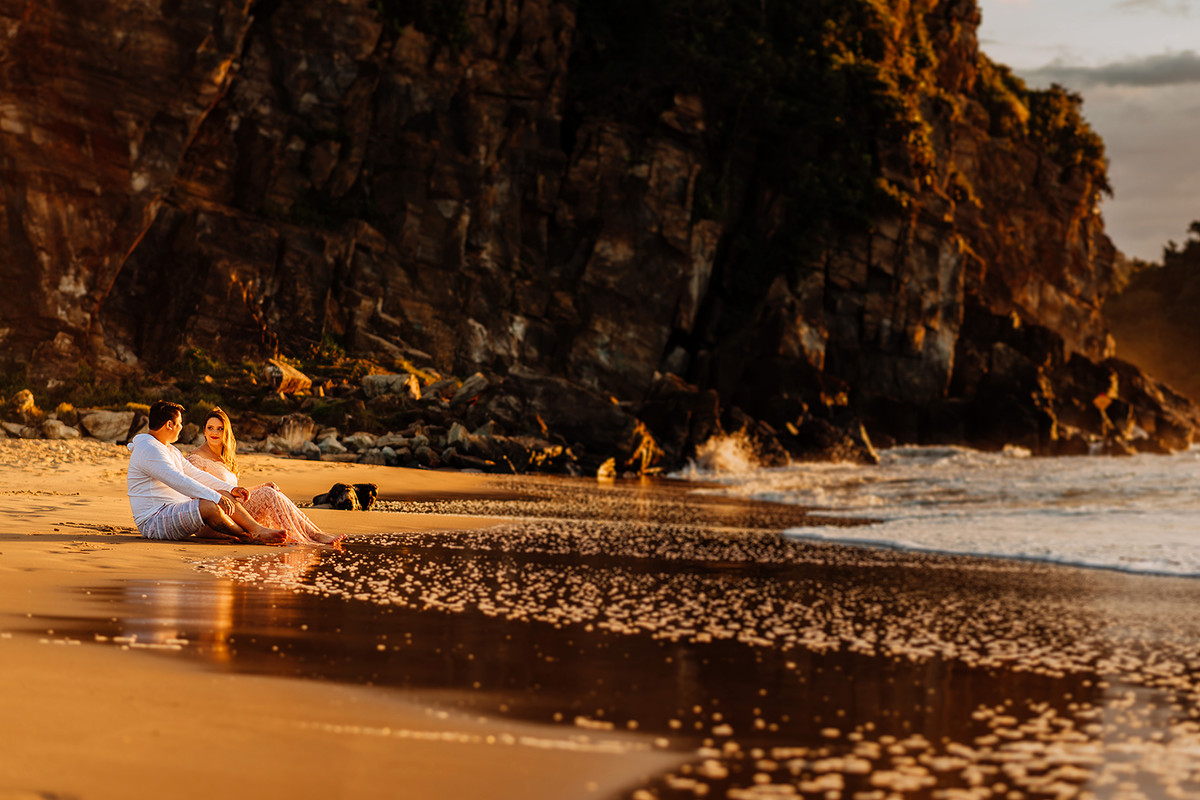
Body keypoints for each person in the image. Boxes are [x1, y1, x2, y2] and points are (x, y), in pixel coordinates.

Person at [127, 401, 286, 544]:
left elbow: (195, 474)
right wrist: (216, 497)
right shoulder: (149, 449)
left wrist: (229, 489)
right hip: (154, 521)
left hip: (173, 511)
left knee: (220, 494)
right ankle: (249, 535)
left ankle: (255, 530)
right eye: (180, 423)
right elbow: (179, 480)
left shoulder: (169, 449)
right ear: (169, 425)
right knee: (210, 504)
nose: (181, 427)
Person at [185, 406, 344, 546]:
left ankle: (314, 532)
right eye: (210, 428)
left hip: (235, 512)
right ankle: (312, 535)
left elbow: (234, 493)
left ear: (226, 431)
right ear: (204, 430)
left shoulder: (224, 457)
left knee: (272, 491)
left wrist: (260, 486)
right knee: (269, 495)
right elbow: (198, 493)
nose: (214, 432)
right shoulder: (197, 458)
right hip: (215, 521)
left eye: (220, 428)